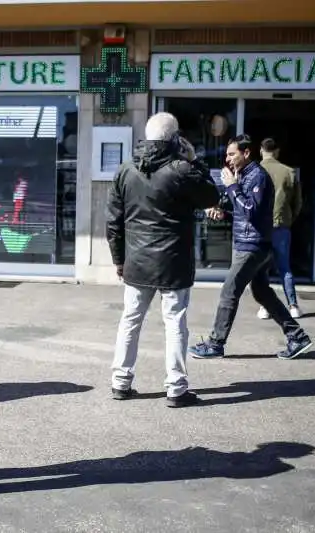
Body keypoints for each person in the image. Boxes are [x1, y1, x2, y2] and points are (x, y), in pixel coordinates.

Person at [106, 112, 219, 407]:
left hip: (137, 261)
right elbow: (210, 197)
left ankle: (120, 381)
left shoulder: (126, 170)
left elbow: (113, 222)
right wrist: (195, 160)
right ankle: (176, 389)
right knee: (175, 324)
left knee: (130, 320)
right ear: (175, 139)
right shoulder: (182, 169)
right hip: (173, 261)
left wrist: (119, 259)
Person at [189, 134, 313, 360]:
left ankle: (216, 343)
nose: (227, 159)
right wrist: (222, 211)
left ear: (246, 153)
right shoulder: (245, 175)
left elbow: (250, 210)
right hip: (253, 242)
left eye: (232, 154)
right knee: (262, 292)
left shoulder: (258, 176)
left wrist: (232, 186)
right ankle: (297, 336)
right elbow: (243, 211)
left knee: (229, 291)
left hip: (252, 246)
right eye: (226, 154)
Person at [257, 138, 303, 320]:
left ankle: (264, 307)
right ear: (276, 151)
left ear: (261, 150)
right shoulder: (289, 172)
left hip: (260, 226)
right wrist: (290, 218)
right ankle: (293, 305)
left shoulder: (254, 170)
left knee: (262, 268)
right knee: (285, 267)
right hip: (282, 225)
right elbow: (298, 202)